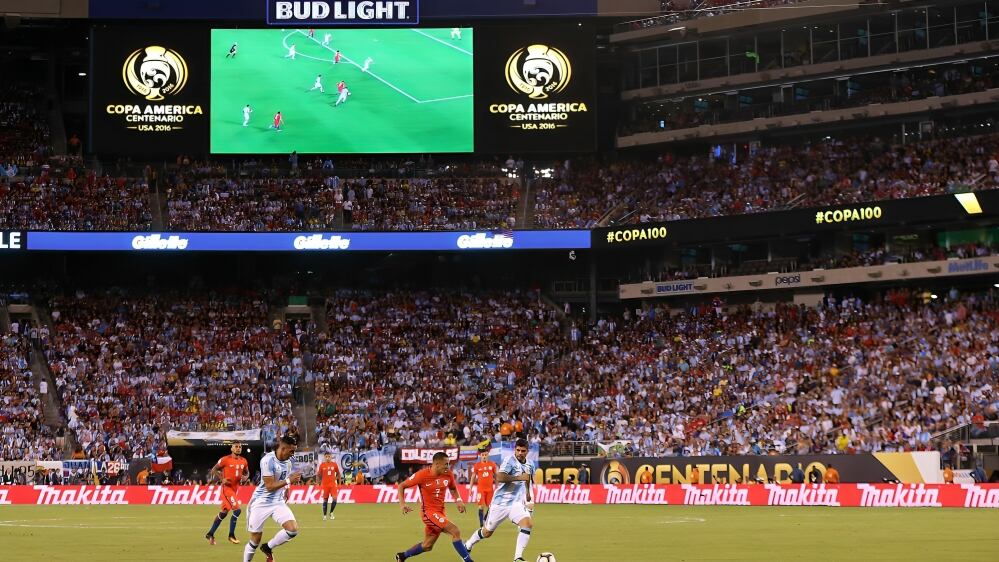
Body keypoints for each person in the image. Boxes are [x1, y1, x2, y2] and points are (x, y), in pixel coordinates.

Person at [464, 438, 535, 562]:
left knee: (527, 524)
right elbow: (500, 477)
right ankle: (469, 544)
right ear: (515, 450)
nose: (519, 453)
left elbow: (527, 478)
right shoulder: (509, 460)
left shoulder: (530, 464)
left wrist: (528, 492)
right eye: (517, 450)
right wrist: (519, 478)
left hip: (515, 503)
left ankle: (517, 558)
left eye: (523, 451)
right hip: (500, 503)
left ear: (527, 451)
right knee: (487, 532)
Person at [395, 451, 472, 562]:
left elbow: (453, 488)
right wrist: (402, 504)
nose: (448, 466)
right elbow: (401, 486)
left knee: (427, 545)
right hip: (428, 513)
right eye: (446, 464)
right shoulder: (422, 475)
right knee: (455, 531)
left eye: (448, 464)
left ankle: (402, 556)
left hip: (440, 512)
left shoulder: (448, 474)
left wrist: (458, 500)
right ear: (437, 464)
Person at [244, 433, 302, 562]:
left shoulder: (288, 462)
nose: (293, 454)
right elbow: (269, 486)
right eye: (291, 451)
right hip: (260, 502)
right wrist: (288, 481)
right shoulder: (267, 460)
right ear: (283, 448)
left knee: (292, 530)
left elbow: (283, 478)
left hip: (277, 502)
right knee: (255, 540)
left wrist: (287, 488)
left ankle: (268, 547)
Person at [206, 442, 249, 545]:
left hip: (234, 489)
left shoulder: (244, 461)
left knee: (224, 512)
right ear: (232, 448)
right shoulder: (225, 459)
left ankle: (210, 533)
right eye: (236, 447)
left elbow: (247, 472)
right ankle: (231, 535)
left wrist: (246, 477)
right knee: (237, 510)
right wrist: (222, 479)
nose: (238, 448)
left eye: (240, 447)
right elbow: (214, 469)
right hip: (227, 489)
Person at [469, 449, 498, 527]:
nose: (484, 456)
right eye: (483, 455)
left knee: (491, 507)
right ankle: (481, 524)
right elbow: (473, 477)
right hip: (480, 490)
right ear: (480, 456)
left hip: (490, 489)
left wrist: (497, 487)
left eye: (485, 455)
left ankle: (485, 518)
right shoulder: (477, 465)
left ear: (488, 455)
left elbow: (496, 476)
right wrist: (470, 488)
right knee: (481, 506)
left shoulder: (492, 464)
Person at [318, 453, 341, 521]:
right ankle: (324, 515)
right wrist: (318, 483)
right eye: (326, 457)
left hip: (333, 485)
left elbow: (338, 474)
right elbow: (318, 475)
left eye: (329, 456)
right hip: (325, 486)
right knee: (325, 500)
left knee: (335, 499)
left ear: (331, 457)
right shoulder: (322, 465)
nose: (328, 458)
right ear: (324, 457)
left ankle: (331, 513)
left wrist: (339, 483)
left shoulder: (334, 464)